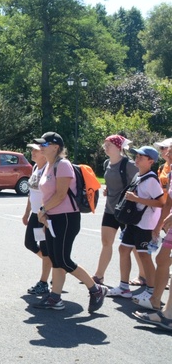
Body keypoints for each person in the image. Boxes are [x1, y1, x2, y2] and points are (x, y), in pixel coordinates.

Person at [30, 132, 108, 312]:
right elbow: (48, 194)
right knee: (55, 259)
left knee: (64, 259)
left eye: (44, 144)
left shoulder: (63, 165)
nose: (41, 147)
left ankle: (96, 290)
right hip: (52, 217)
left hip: (66, 218)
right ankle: (55, 298)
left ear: (56, 147)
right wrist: (44, 212)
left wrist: (43, 210)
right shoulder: (49, 165)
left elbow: (60, 194)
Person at [107, 146, 163, 303]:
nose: (137, 158)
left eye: (141, 157)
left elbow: (161, 202)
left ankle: (151, 291)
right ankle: (124, 287)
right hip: (134, 221)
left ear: (150, 161)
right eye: (137, 155)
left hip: (145, 224)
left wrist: (136, 199)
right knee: (123, 249)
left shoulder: (151, 179)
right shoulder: (139, 175)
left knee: (144, 256)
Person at [92, 135, 139, 285]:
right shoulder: (107, 163)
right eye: (104, 144)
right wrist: (108, 190)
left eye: (109, 145)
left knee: (133, 246)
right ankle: (99, 276)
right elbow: (112, 182)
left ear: (119, 147)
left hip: (126, 210)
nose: (105, 147)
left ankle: (144, 276)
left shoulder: (129, 164)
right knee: (106, 242)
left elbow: (139, 183)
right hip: (110, 209)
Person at [135, 140, 172, 311]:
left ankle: (159, 304)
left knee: (160, 259)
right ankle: (156, 301)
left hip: (164, 218)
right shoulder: (167, 171)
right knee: (161, 259)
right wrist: (161, 223)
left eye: (169, 149)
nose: (166, 152)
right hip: (168, 220)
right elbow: (168, 202)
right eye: (165, 149)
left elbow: (161, 201)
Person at [22, 143, 52, 295]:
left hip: (44, 215)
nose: (32, 153)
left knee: (45, 248)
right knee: (30, 243)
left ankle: (44, 281)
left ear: (44, 153)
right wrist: (26, 212)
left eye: (36, 150)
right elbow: (31, 193)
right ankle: (53, 266)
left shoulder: (48, 169)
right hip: (35, 214)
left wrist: (44, 213)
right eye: (32, 150)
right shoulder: (35, 168)